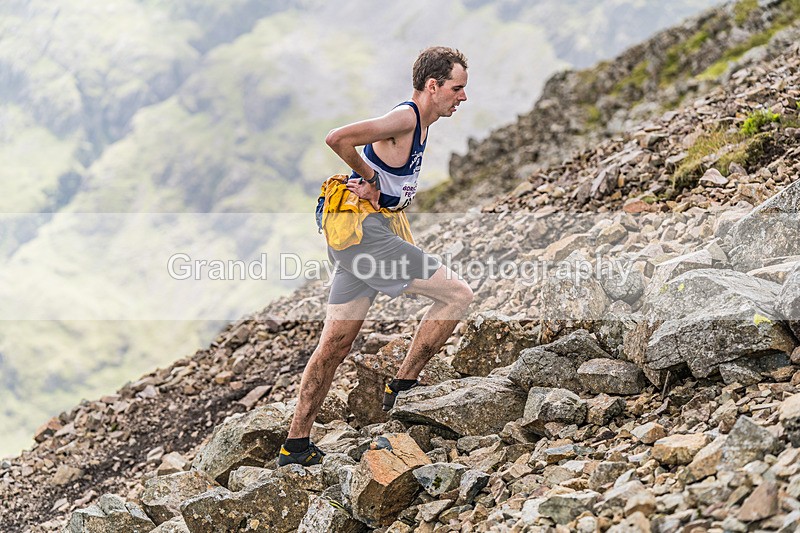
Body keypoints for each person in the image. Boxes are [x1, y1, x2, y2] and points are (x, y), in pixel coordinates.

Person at [278, 46, 474, 467]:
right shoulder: (407, 118)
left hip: (356, 239)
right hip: (366, 237)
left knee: (334, 343)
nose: (462, 97)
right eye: (457, 88)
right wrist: (369, 180)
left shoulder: (423, 121)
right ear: (433, 85)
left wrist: (378, 189)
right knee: (457, 295)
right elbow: (337, 138)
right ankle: (403, 387)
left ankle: (294, 446)